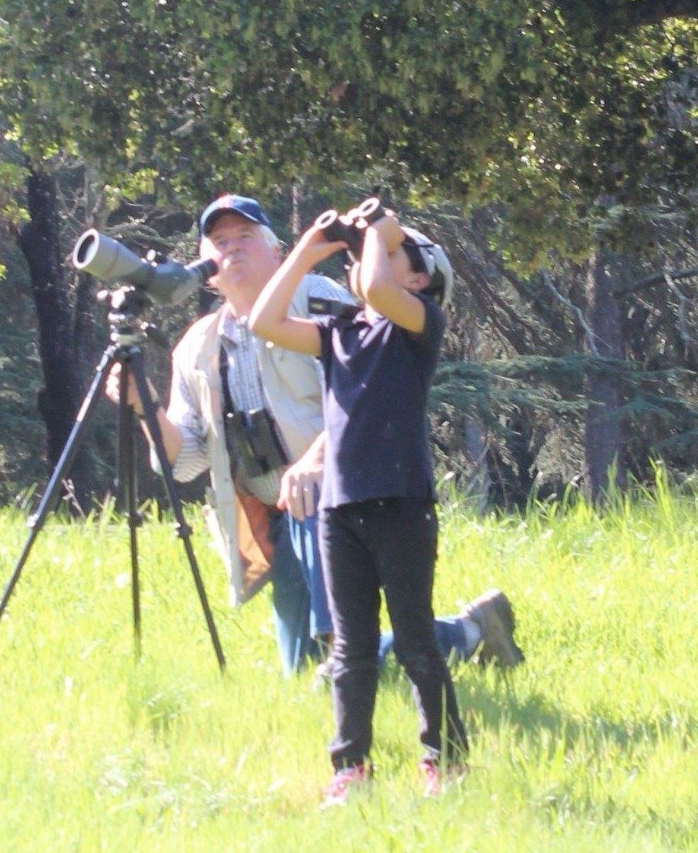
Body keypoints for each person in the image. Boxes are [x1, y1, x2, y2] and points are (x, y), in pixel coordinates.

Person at [106, 193, 524, 678]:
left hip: (335, 495)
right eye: (219, 242)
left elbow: (376, 390)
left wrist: (317, 459)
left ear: (277, 251)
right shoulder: (194, 347)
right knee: (302, 673)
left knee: (338, 656)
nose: (231, 249)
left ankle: (354, 657)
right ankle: (469, 630)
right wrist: (145, 407)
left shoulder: (324, 297)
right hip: (273, 517)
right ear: (207, 267)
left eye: (245, 237)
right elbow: (185, 461)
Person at [250, 204, 469, 801]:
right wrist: (306, 249)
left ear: (419, 281)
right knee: (350, 648)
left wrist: (380, 226)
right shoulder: (339, 331)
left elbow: (376, 284)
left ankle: (444, 759)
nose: (367, 257)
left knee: (416, 639)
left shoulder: (420, 325)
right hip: (340, 509)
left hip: (401, 503)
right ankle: (350, 769)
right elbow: (264, 322)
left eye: (395, 253)